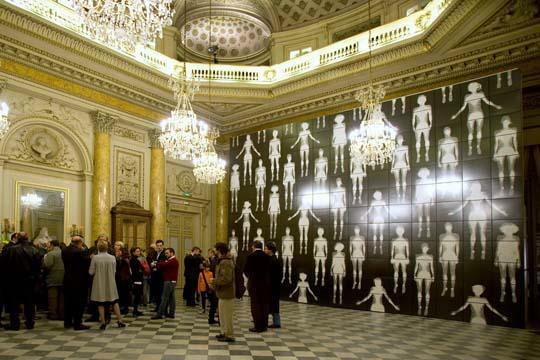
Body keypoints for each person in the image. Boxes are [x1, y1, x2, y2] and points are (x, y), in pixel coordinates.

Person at [2, 232, 41, 330]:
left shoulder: (10, 250)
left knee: (13, 303)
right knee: (30, 303)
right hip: (30, 281)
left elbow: (4, 266)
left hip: (14, 281)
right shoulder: (34, 250)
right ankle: (30, 323)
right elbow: (38, 268)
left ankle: (15, 324)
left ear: (18, 238)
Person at [89, 240, 126, 330]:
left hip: (99, 283)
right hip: (110, 282)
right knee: (114, 301)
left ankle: (103, 322)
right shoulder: (112, 257)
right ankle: (120, 320)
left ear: (98, 248)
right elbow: (114, 271)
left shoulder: (95, 258)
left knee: (100, 302)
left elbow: (91, 272)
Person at [62, 235, 91, 330]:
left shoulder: (65, 250)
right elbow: (86, 264)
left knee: (68, 302)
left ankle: (67, 322)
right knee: (79, 303)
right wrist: (90, 257)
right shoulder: (79, 252)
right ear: (79, 243)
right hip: (79, 281)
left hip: (67, 279)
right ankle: (77, 323)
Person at [244, 240, 271, 332]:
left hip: (254, 284)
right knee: (264, 305)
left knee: (255, 305)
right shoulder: (266, 256)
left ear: (254, 246)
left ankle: (258, 326)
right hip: (265, 284)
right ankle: (264, 325)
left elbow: (246, 270)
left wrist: (251, 277)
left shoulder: (251, 256)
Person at [212, 242, 235, 342]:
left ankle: (229, 335)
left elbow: (226, 278)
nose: (215, 252)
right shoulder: (223, 261)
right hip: (222, 293)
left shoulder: (226, 262)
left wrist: (214, 281)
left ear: (220, 250)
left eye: (216, 250)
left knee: (227, 316)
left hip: (227, 293)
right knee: (221, 315)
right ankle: (223, 332)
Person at [152, 248, 179, 319]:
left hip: (169, 281)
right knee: (171, 298)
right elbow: (164, 264)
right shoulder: (171, 260)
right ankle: (171, 313)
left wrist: (155, 263)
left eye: (167, 253)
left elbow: (164, 265)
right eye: (165, 253)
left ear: (172, 253)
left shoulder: (173, 261)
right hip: (171, 281)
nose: (165, 254)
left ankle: (159, 314)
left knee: (164, 298)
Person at [43, 239, 65, 320]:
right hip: (63, 277)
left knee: (53, 298)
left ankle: (53, 314)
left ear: (52, 245)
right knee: (62, 298)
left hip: (53, 278)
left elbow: (48, 265)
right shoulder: (64, 252)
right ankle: (62, 314)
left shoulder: (51, 254)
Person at [265, 241, 282, 328]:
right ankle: (276, 321)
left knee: (274, 304)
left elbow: (273, 275)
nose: (265, 250)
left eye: (266, 248)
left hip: (273, 287)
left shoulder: (273, 260)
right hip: (274, 286)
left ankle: (276, 322)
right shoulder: (273, 259)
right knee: (273, 304)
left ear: (270, 250)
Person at [114, 242, 132, 315]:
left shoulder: (124, 259)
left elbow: (121, 269)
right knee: (122, 294)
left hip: (123, 279)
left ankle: (125, 308)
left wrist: (117, 258)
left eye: (118, 251)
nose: (117, 252)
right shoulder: (122, 259)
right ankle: (123, 307)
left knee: (124, 294)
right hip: (122, 279)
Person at [149, 240, 166, 310]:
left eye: (160, 246)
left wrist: (155, 264)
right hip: (154, 275)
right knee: (156, 292)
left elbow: (163, 264)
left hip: (161, 276)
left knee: (161, 292)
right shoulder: (155, 253)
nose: (159, 247)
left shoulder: (164, 254)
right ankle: (157, 307)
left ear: (163, 246)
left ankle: (161, 308)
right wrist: (151, 264)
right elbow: (151, 260)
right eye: (158, 246)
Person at [130, 247, 144, 316]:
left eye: (139, 251)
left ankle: (136, 310)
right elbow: (136, 271)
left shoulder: (135, 259)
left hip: (137, 280)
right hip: (136, 280)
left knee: (137, 296)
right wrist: (142, 272)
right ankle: (135, 311)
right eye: (137, 251)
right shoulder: (134, 260)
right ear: (133, 253)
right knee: (137, 296)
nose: (139, 252)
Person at [207, 248, 219, 324]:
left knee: (214, 302)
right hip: (215, 282)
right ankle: (211, 318)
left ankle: (212, 318)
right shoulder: (215, 261)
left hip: (213, 281)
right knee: (215, 302)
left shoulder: (214, 260)